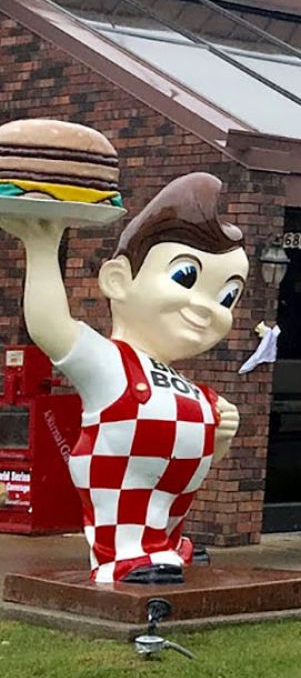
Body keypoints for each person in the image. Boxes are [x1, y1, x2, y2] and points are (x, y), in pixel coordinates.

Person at [1, 172, 247, 584]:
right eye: (185, 277)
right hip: (118, 488)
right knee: (128, 509)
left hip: (171, 505)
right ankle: (124, 555)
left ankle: (166, 545)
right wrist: (42, 250)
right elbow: (50, 327)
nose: (208, 308)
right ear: (118, 279)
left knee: (164, 506)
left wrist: (219, 432)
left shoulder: (184, 384)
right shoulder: (110, 362)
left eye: (227, 297)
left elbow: (196, 452)